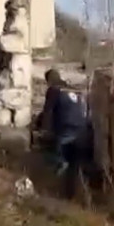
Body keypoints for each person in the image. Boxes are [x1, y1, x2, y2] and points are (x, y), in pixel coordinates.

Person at [38, 68, 88, 196]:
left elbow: (48, 111)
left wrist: (44, 130)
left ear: (49, 80)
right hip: (82, 129)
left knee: (56, 159)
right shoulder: (72, 88)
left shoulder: (54, 89)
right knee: (74, 163)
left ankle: (54, 183)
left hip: (67, 127)